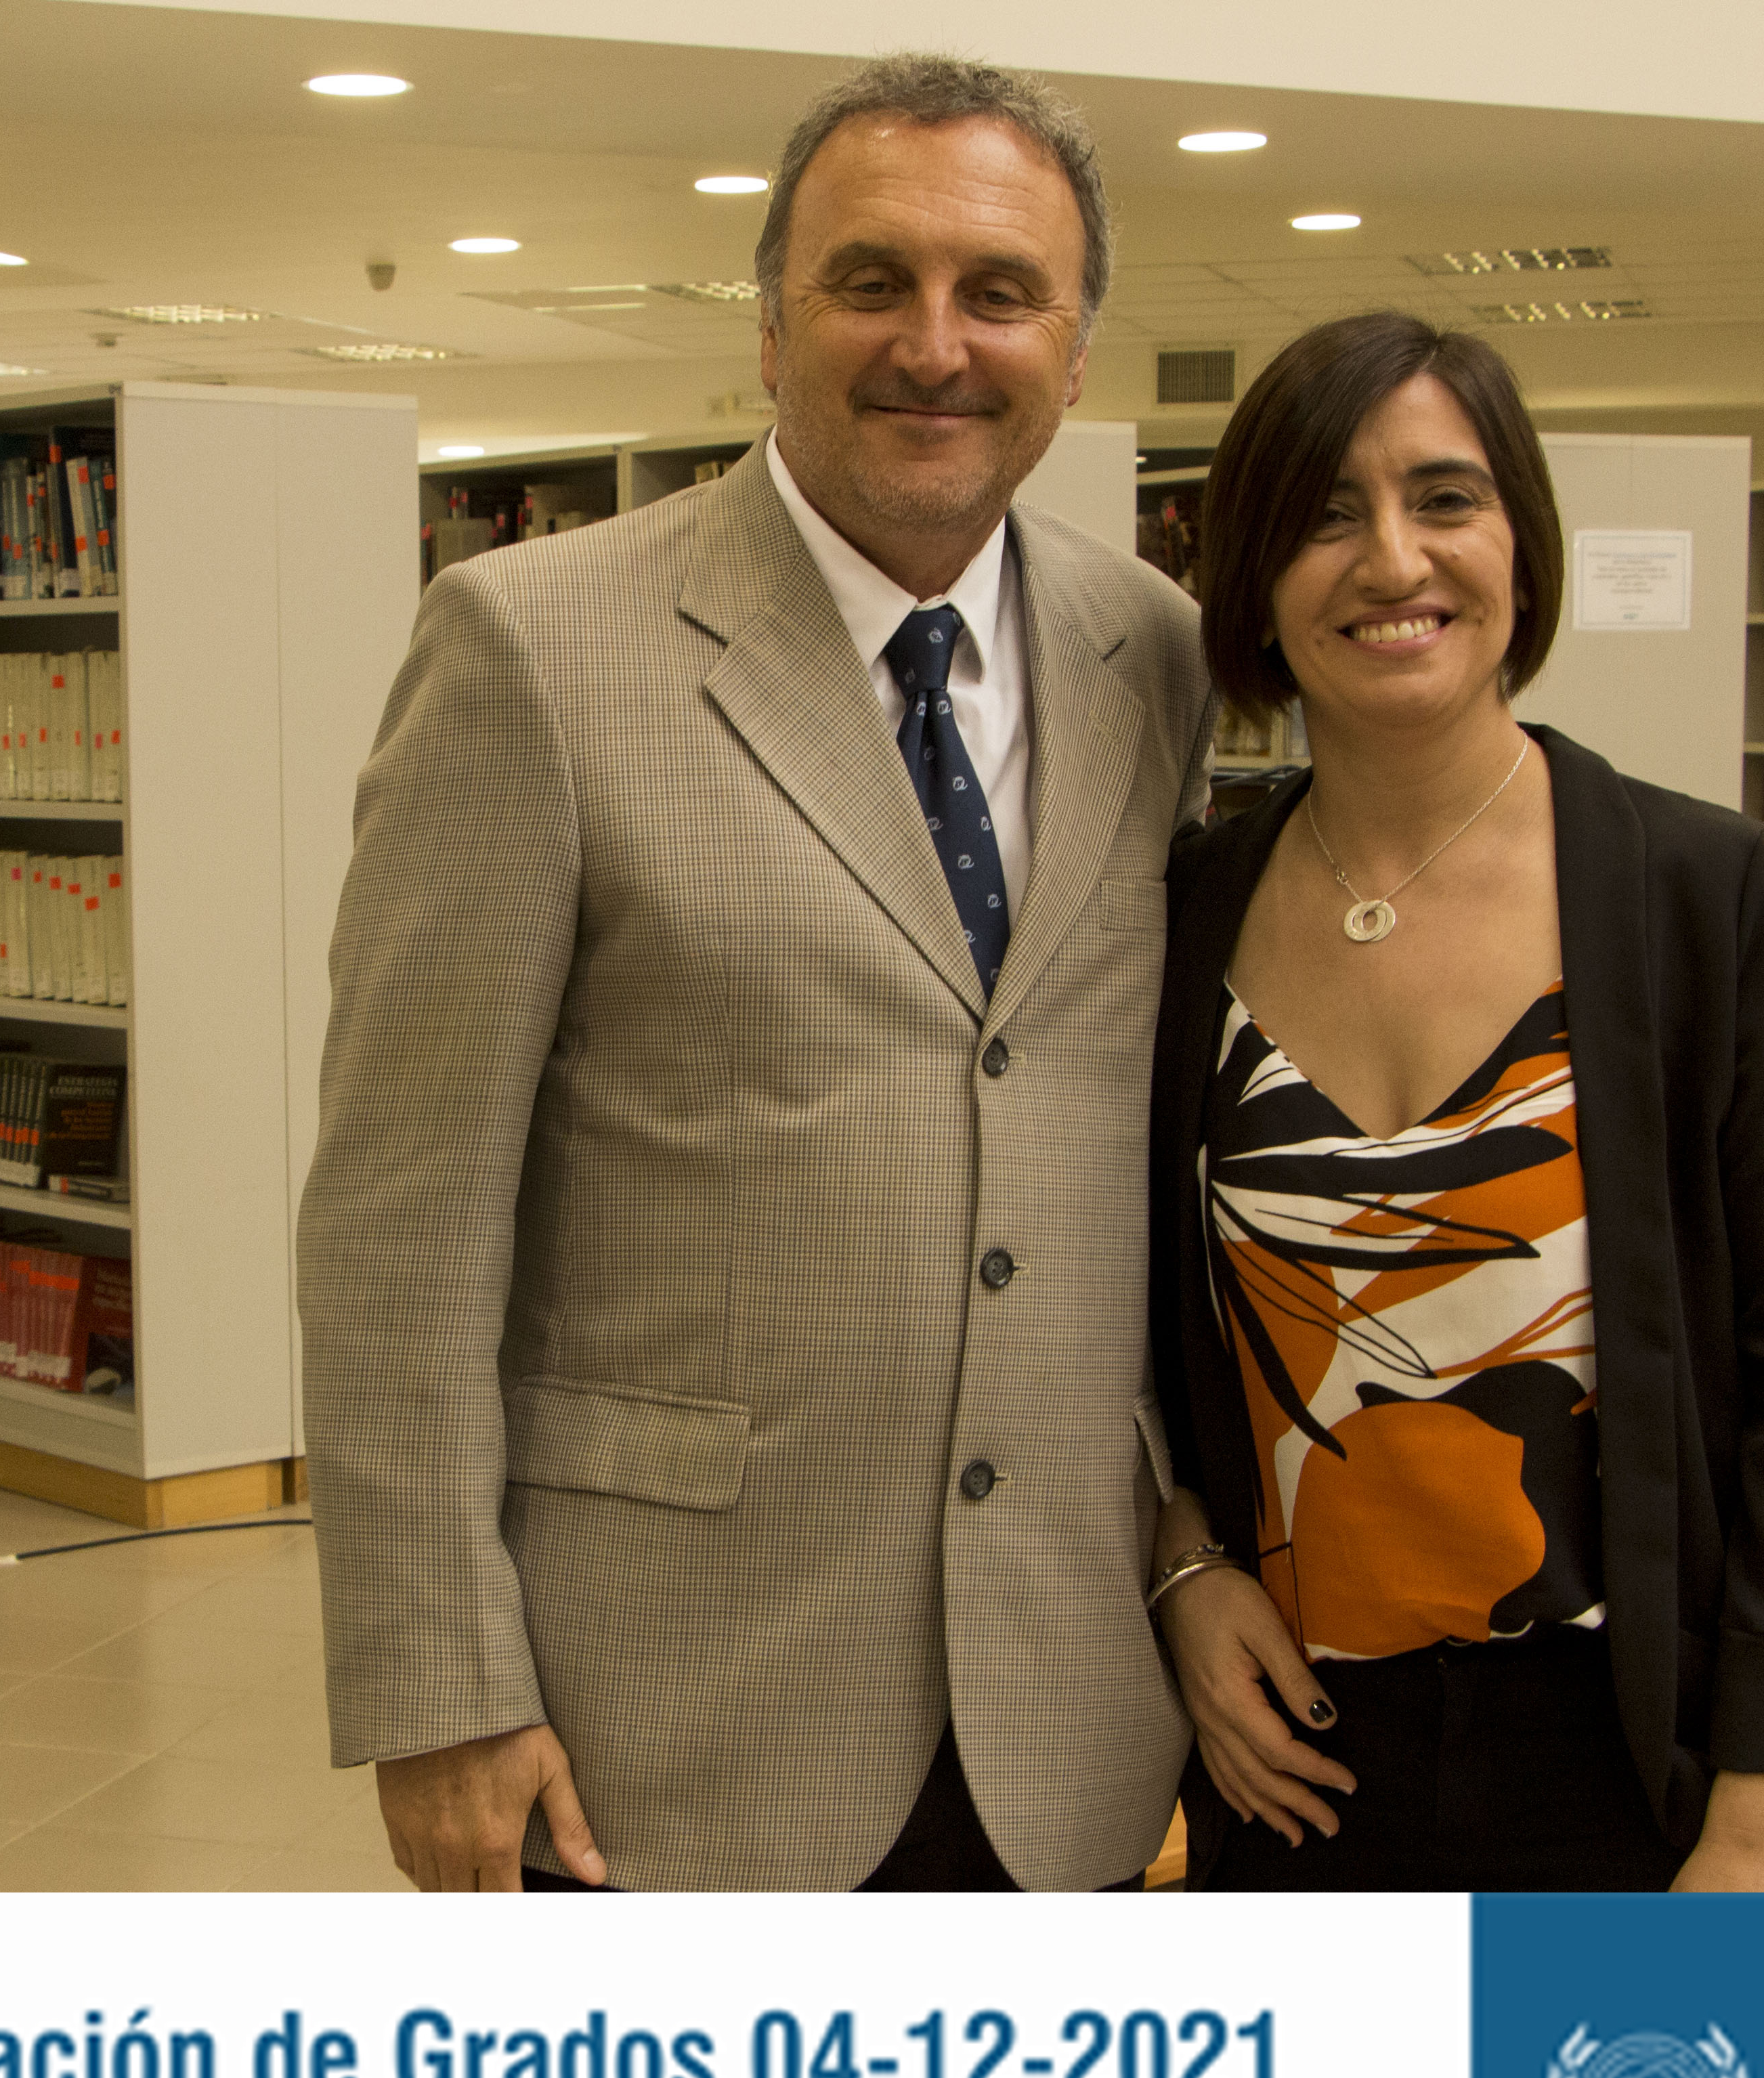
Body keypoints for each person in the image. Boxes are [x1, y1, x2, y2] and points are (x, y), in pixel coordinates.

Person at [301, 54, 1213, 1892]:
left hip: (1064, 1709)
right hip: (662, 1722)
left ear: (1075, 354)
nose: (934, 344)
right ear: (774, 324)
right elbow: (398, 1226)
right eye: (872, 280)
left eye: (1000, 292)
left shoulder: (1156, 653)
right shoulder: (532, 648)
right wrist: (438, 1684)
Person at [1147, 311, 1764, 1891]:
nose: (1392, 559)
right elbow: (1128, 1328)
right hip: (1300, 1766)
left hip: (1647, 1760)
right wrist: (1180, 1565)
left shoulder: (1707, 897)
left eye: (1445, 497)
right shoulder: (1184, 912)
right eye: (1324, 513)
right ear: (1253, 579)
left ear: (1521, 542)